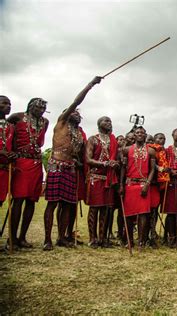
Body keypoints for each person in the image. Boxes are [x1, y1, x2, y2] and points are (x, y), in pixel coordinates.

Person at [42, 76, 101, 250]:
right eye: (74, 112)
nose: (77, 114)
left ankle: (62, 237)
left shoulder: (79, 133)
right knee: (52, 203)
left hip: (71, 170)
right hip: (57, 166)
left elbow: (81, 154)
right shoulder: (62, 122)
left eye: (79, 114)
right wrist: (90, 84)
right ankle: (47, 239)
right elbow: (76, 102)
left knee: (68, 204)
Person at [7, 96, 49, 248]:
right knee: (18, 199)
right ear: (30, 106)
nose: (41, 110)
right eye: (38, 107)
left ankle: (22, 237)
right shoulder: (17, 117)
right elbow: (7, 135)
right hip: (21, 161)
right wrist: (10, 152)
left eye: (43, 108)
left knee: (32, 200)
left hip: (36, 162)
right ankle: (11, 238)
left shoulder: (45, 122)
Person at [85, 116, 119, 248]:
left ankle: (103, 238)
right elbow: (88, 159)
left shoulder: (113, 141)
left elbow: (115, 158)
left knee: (106, 209)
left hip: (108, 179)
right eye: (106, 121)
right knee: (94, 209)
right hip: (96, 178)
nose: (109, 123)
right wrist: (105, 163)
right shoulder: (93, 139)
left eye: (110, 121)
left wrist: (114, 163)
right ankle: (92, 238)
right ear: (99, 124)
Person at [119, 126, 156, 249]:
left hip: (143, 185)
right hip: (130, 184)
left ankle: (141, 241)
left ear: (145, 135)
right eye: (137, 132)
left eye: (142, 132)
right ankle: (129, 240)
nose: (140, 134)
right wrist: (121, 185)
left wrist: (147, 184)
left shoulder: (151, 151)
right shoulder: (126, 150)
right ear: (134, 135)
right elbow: (123, 169)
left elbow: (152, 170)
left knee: (143, 214)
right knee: (129, 215)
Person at [147, 132, 169, 248]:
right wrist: (161, 168)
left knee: (155, 210)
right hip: (150, 183)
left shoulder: (164, 151)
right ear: (155, 139)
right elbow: (152, 165)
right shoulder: (151, 150)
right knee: (148, 211)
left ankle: (152, 233)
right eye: (160, 138)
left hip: (158, 185)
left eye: (164, 138)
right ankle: (146, 235)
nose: (162, 140)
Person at [0, 96, 15, 207]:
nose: (8, 106)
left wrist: (13, 154)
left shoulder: (11, 126)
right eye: (4, 103)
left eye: (9, 104)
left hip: (5, 169)